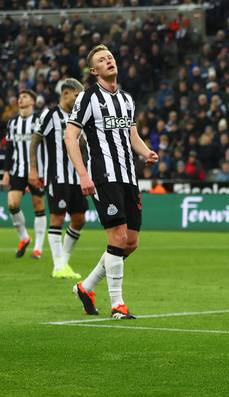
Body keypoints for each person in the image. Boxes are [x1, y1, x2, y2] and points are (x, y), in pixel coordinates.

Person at [65, 44, 158, 319]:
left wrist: (146, 152)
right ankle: (118, 305)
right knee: (117, 236)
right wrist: (83, 174)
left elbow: (131, 135)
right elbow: (70, 137)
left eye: (111, 57)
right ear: (94, 71)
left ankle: (86, 287)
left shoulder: (127, 99)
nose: (109, 61)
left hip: (129, 176)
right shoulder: (87, 98)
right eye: (102, 60)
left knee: (130, 242)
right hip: (103, 176)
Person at [29, 78, 87, 279]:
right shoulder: (49, 115)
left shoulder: (77, 118)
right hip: (57, 176)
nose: (79, 100)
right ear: (66, 93)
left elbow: (83, 145)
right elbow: (35, 140)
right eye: (77, 96)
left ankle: (64, 262)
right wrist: (33, 169)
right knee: (58, 218)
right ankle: (58, 265)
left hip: (77, 177)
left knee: (80, 219)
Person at [1, 89, 47, 259]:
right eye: (19, 97)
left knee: (38, 206)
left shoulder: (39, 121)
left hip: (37, 170)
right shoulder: (12, 123)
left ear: (33, 102)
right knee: (12, 204)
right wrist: (6, 172)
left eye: (25, 97)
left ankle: (38, 248)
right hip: (17, 170)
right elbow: (10, 148)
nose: (20, 99)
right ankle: (24, 238)